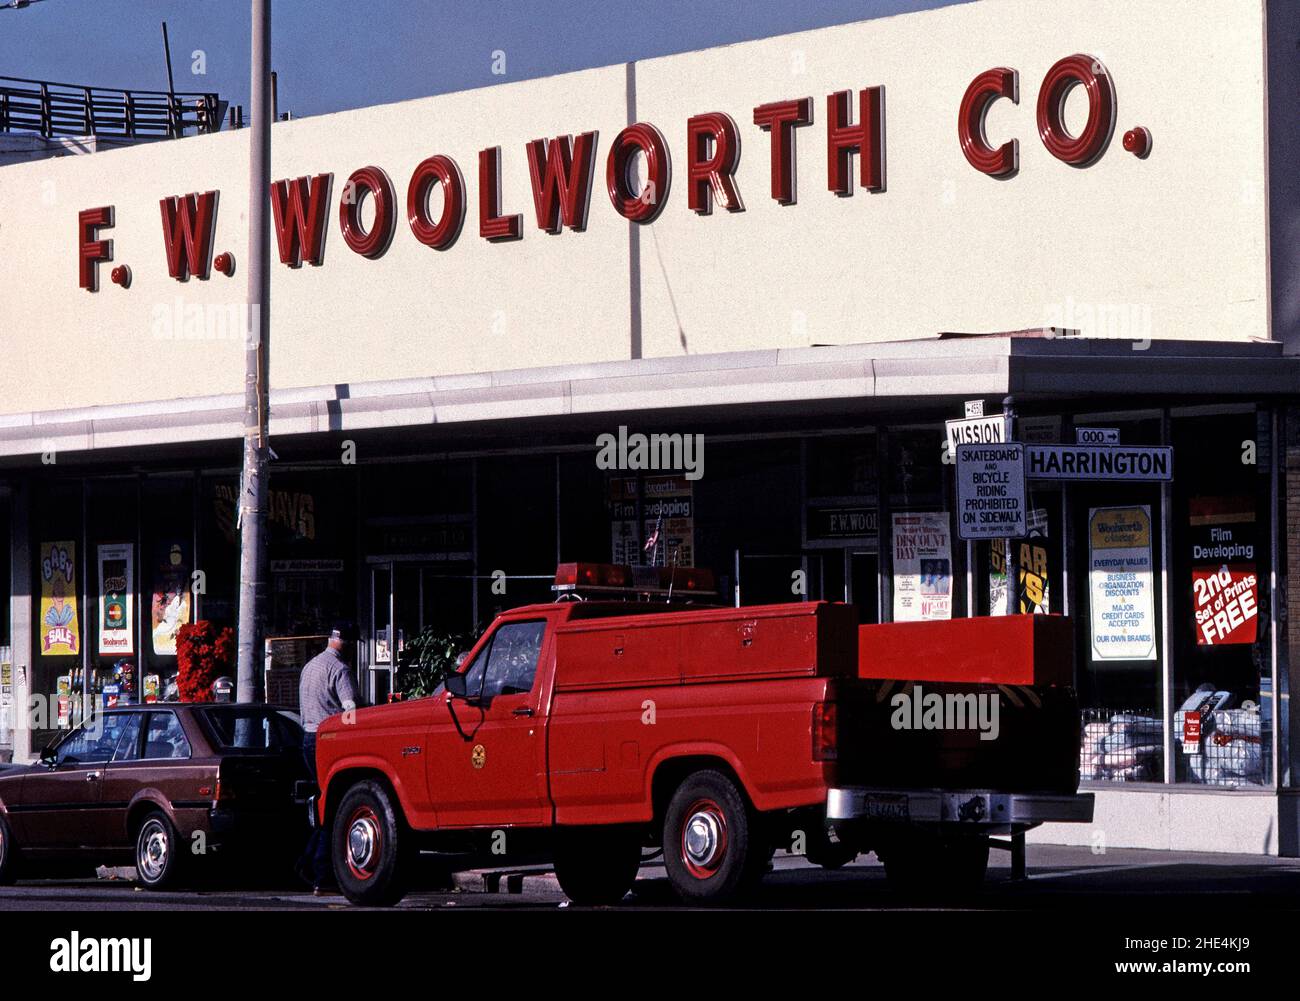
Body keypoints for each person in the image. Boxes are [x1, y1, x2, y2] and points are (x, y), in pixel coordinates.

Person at [297, 623, 358, 894]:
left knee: (323, 802)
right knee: (333, 808)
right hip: (329, 741)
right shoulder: (340, 670)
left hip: (307, 738)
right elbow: (350, 711)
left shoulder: (309, 667)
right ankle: (322, 873)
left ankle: (306, 863)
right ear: (345, 643)